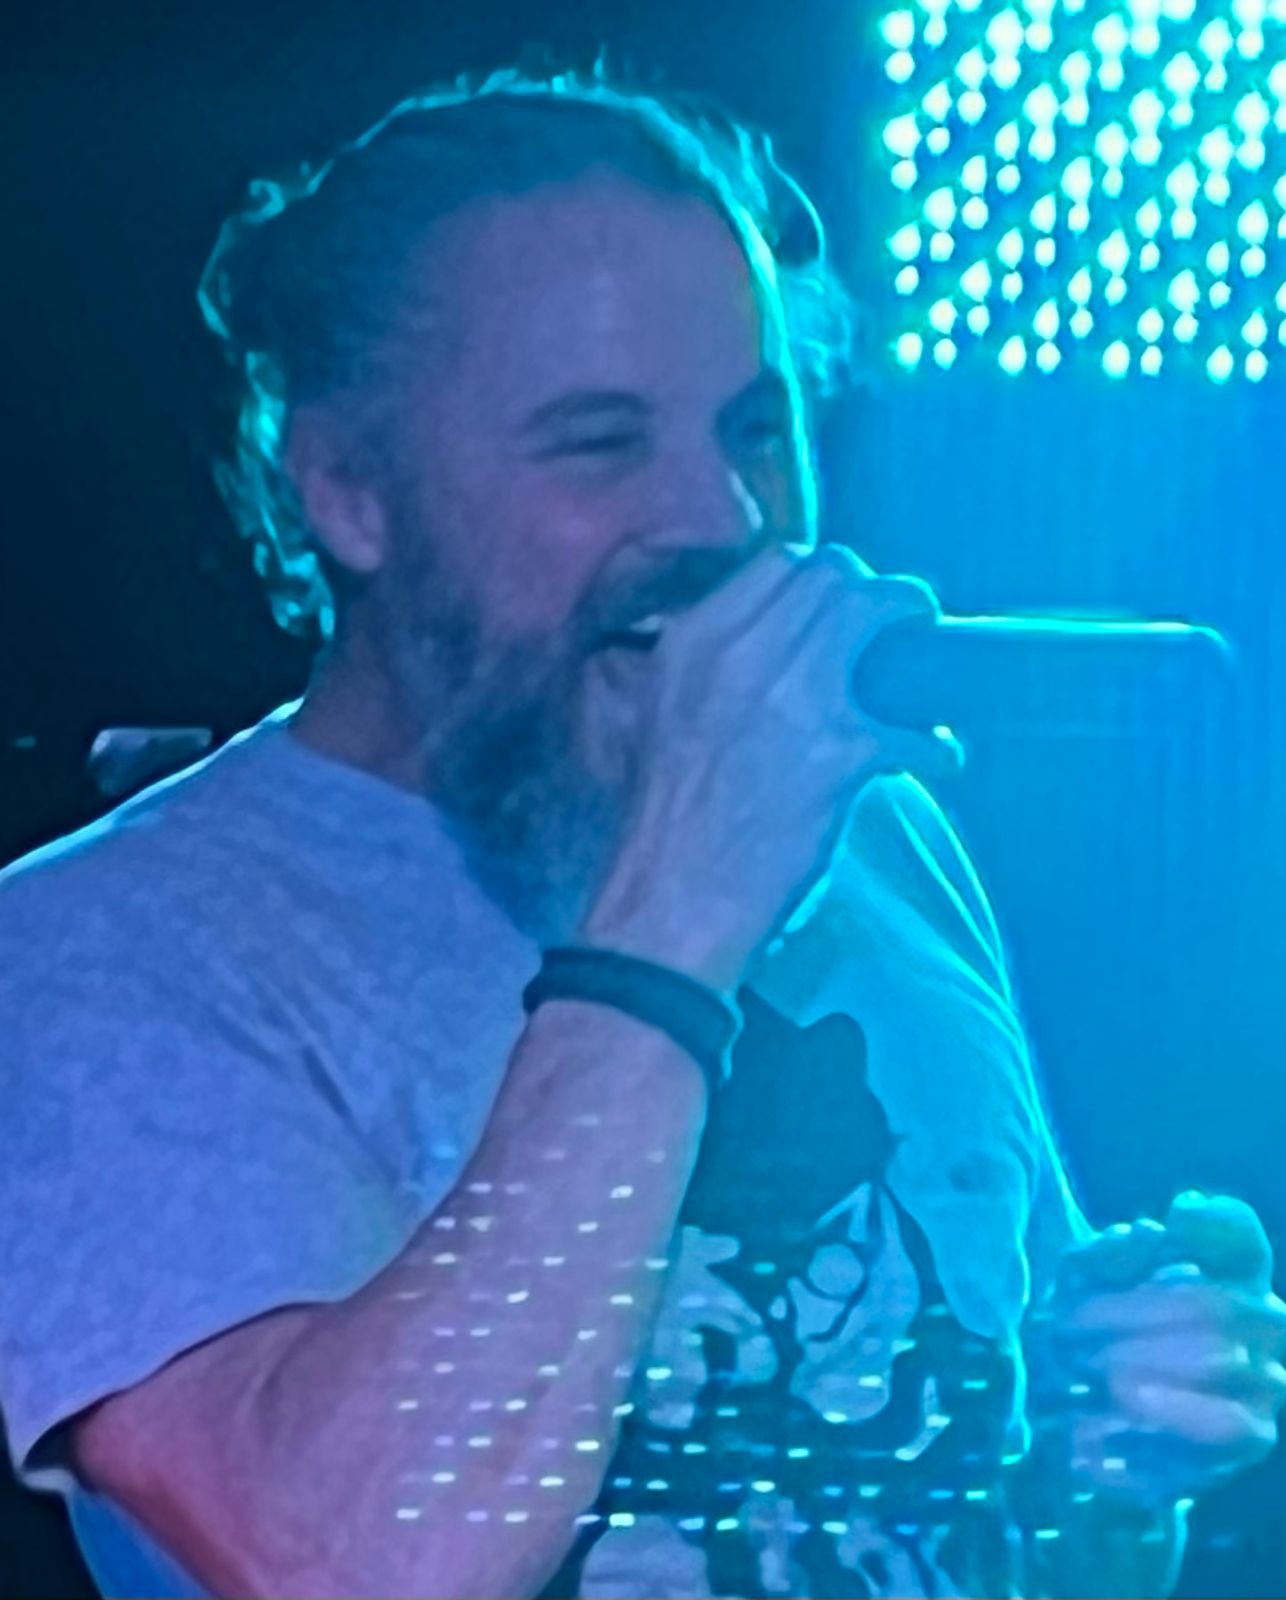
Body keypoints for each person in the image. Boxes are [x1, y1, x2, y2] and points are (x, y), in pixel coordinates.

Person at [1, 67, 1282, 1600]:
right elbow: (355, 1565)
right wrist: (681, 911)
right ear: (347, 491)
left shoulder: (876, 838)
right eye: (600, 443)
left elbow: (978, 1523)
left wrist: (1092, 1449)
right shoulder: (92, 953)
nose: (720, 516)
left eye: (755, 429)